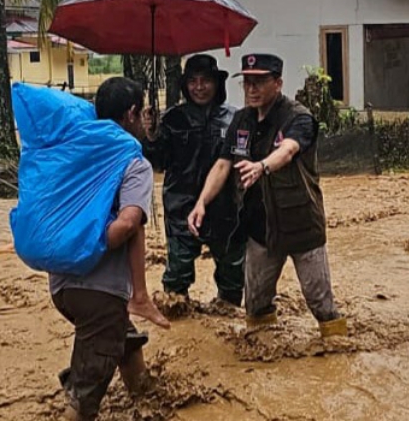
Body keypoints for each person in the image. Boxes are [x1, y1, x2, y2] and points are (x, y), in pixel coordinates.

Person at [188, 54, 347, 337]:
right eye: (247, 82)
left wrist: (262, 166)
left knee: (319, 302)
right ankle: (264, 347)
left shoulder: (299, 117)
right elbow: (224, 164)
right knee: (256, 304)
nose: (252, 89)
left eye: (260, 82)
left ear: (278, 83)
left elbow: (288, 150)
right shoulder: (242, 119)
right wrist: (201, 202)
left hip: (301, 224)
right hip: (259, 228)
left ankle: (338, 346)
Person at [50, 77, 168, 421]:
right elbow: (130, 223)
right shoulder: (133, 163)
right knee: (85, 399)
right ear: (132, 113)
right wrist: (91, 246)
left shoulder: (77, 153)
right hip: (99, 292)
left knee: (122, 335)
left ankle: (143, 393)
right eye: (143, 112)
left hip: (61, 286)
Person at [143, 54, 245, 307]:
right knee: (177, 273)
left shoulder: (235, 119)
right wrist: (152, 135)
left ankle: (227, 310)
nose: (199, 87)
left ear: (217, 83)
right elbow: (158, 163)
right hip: (181, 205)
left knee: (233, 271)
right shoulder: (171, 119)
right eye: (193, 81)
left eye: (206, 81)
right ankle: (177, 313)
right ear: (185, 85)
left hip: (226, 206)